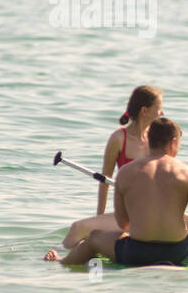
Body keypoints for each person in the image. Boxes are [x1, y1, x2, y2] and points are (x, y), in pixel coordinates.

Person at [45, 117, 188, 267]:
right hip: (178, 253)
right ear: (172, 143)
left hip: (135, 253)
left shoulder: (126, 172)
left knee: (94, 237)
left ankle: (62, 262)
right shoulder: (187, 172)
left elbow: (123, 223)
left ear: (149, 141)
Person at [60, 85, 162, 248]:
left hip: (155, 213)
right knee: (77, 228)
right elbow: (105, 180)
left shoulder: (157, 139)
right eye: (159, 108)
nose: (162, 113)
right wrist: (99, 218)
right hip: (128, 215)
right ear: (144, 110)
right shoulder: (118, 138)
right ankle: (56, 255)